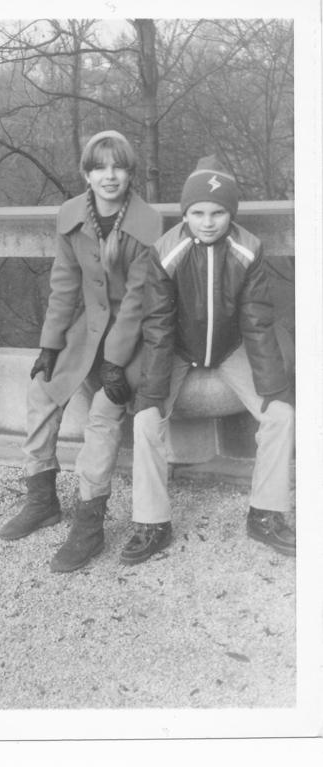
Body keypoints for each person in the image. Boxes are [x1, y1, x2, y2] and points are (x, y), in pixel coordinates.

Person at [120, 155, 296, 566]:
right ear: (185, 213)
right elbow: (158, 327)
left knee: (282, 414)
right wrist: (152, 395)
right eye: (198, 212)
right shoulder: (166, 252)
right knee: (145, 420)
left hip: (231, 348)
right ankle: (152, 522)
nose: (208, 221)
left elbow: (257, 322)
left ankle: (265, 514)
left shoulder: (248, 249)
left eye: (218, 212)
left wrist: (273, 389)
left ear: (231, 213)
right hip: (179, 349)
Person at [0, 130, 161, 572]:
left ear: (130, 173)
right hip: (86, 329)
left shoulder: (147, 224)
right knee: (42, 390)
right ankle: (42, 501)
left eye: (119, 166)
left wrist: (115, 362)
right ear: (86, 174)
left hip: (133, 336)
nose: (109, 176)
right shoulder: (71, 215)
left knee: (104, 412)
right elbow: (64, 284)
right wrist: (50, 345)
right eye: (99, 167)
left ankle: (89, 525)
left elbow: (137, 302)